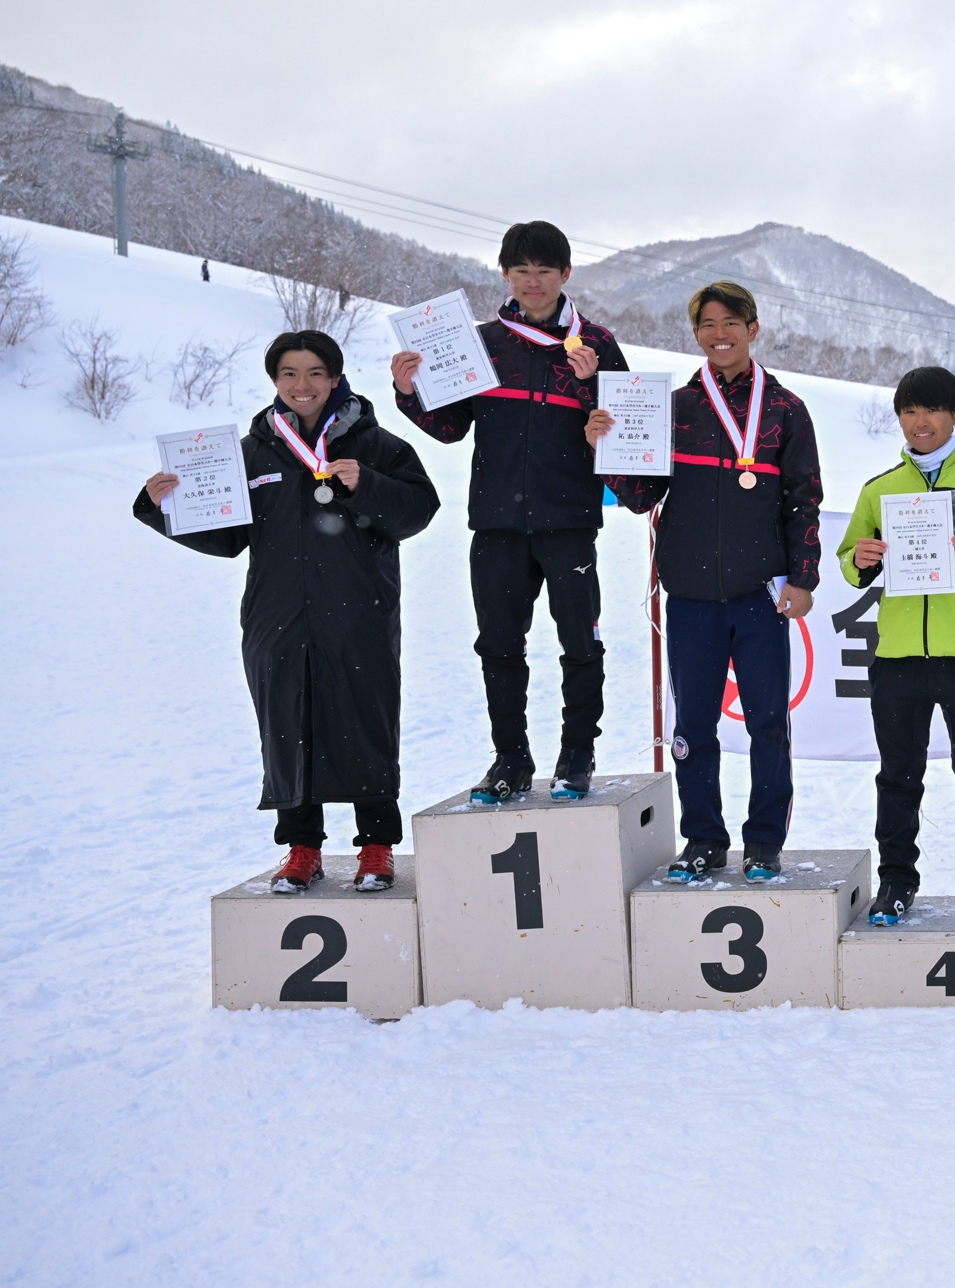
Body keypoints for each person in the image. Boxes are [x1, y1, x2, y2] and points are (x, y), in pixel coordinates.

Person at [137, 331, 440, 892]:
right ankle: (302, 848)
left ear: (336, 378)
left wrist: (367, 485)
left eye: (316, 373)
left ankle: (377, 846)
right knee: (286, 727)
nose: (303, 385)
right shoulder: (250, 453)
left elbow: (420, 510)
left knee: (366, 722)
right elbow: (227, 537)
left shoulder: (378, 446)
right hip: (275, 616)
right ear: (275, 381)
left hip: (360, 614)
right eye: (290, 374)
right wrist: (164, 507)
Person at [391, 220, 629, 804]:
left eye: (545, 270)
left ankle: (577, 755)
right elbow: (451, 427)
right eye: (521, 270)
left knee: (580, 641)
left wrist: (590, 389)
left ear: (566, 274)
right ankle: (510, 758)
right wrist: (409, 392)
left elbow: (627, 430)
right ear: (504, 274)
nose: (533, 281)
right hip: (497, 520)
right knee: (498, 644)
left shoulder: (596, 344)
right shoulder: (481, 343)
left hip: (569, 519)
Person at [594, 281, 821, 883]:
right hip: (691, 594)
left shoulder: (785, 410)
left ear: (753, 329)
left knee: (768, 723)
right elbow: (642, 496)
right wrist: (609, 449)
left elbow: (804, 500)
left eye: (731, 324)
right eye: (708, 325)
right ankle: (703, 838)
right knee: (693, 726)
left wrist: (803, 577)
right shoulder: (674, 408)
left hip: (760, 594)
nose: (720, 335)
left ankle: (765, 842)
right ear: (696, 333)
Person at [834, 366, 955, 926]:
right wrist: (860, 559)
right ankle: (896, 883)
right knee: (898, 778)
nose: (921, 422)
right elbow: (849, 563)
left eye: (933, 410)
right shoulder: (878, 489)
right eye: (909, 411)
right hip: (896, 659)